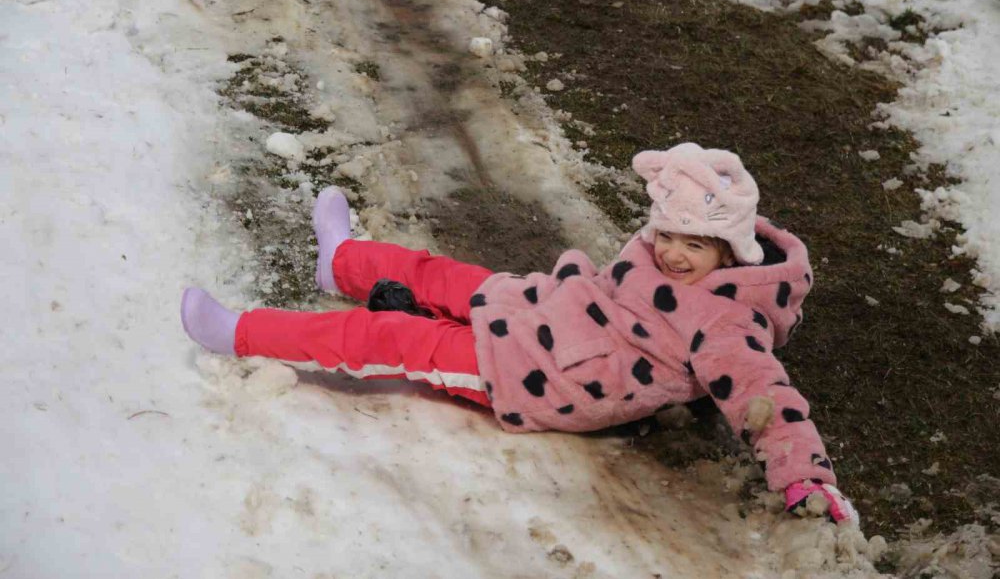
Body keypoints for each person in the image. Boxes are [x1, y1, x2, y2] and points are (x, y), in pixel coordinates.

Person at [181, 142, 858, 525]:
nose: (675, 256)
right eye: (668, 238)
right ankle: (341, 262)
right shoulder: (669, 258)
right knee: (437, 275)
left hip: (538, 377)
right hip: (541, 306)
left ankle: (241, 332)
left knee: (387, 338)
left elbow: (768, 404)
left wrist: (808, 479)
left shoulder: (727, 324)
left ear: (732, 251)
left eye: (695, 246)